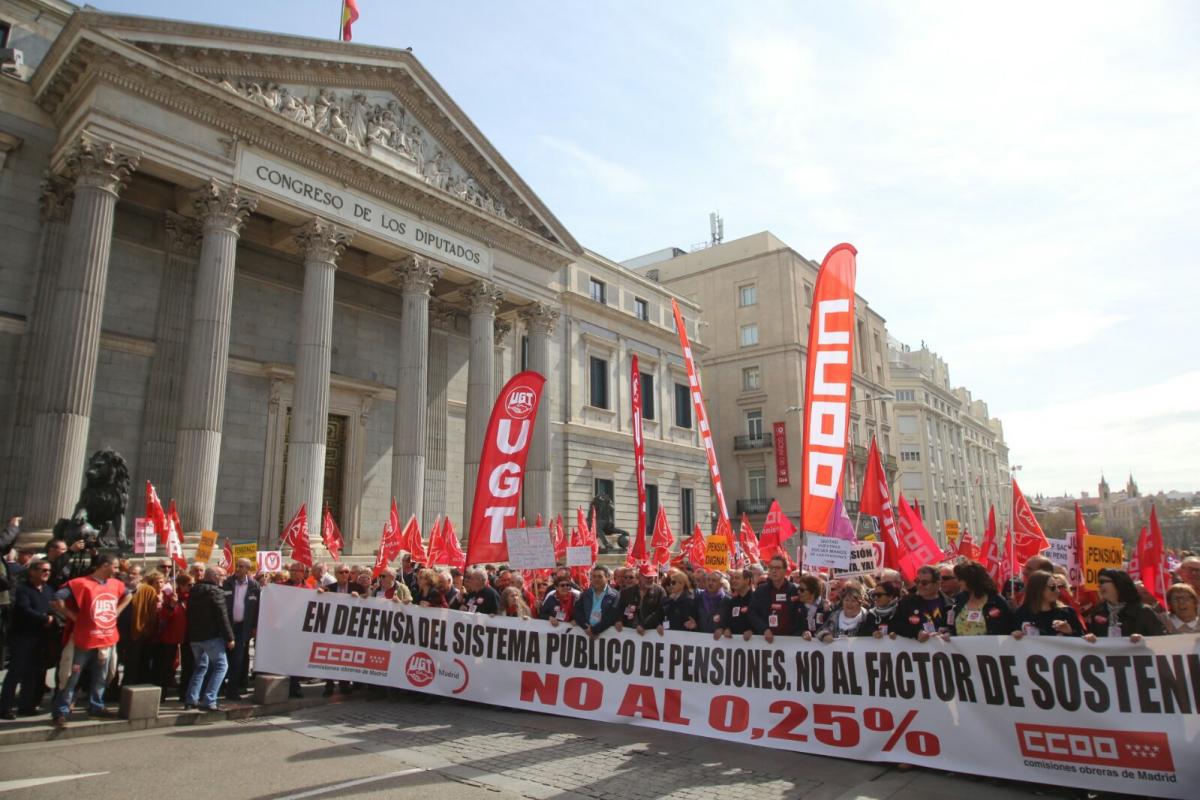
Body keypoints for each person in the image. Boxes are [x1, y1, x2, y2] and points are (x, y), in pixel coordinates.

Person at [50, 553, 132, 726]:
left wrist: (117, 611)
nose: (117, 570)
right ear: (104, 566)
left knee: (102, 677)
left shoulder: (116, 584)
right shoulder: (81, 583)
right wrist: (71, 615)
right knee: (71, 676)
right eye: (115, 566)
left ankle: (96, 706)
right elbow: (57, 598)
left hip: (106, 639)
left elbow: (128, 595)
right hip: (84, 640)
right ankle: (61, 711)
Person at [0, 559, 55, 719]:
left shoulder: (48, 590)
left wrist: (52, 617)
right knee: (16, 672)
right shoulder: (22, 589)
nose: (46, 573)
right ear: (32, 571)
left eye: (49, 570)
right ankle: (5, 707)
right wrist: (44, 619)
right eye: (43, 570)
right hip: (23, 636)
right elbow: (24, 609)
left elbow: (51, 606)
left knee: (33, 673)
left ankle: (26, 705)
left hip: (40, 637)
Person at [184, 566, 235, 712]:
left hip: (195, 637)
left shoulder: (194, 590)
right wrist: (230, 637)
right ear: (214, 576)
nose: (225, 578)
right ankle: (209, 700)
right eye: (222, 575)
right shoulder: (216, 592)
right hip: (211, 637)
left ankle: (191, 699)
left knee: (201, 667)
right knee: (221, 666)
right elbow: (222, 616)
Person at [1085, 568, 1166, 641]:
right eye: (1099, 582)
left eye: (1102, 582)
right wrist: (1090, 638)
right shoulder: (1097, 612)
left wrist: (1143, 641)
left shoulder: (1144, 612)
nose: (1099, 586)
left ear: (1118, 583)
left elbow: (1162, 640)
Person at [221, 559, 260, 700]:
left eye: (241, 566)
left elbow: (257, 609)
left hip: (242, 628)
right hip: (227, 626)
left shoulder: (254, 586)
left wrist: (254, 626)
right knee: (223, 658)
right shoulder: (227, 583)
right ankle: (220, 687)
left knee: (237, 659)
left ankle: (232, 689)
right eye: (237, 566)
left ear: (248, 569)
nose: (238, 568)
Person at [948, 561, 1014, 636]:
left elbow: (1011, 626)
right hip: (960, 647)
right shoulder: (960, 598)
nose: (957, 582)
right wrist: (949, 634)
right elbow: (951, 625)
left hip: (990, 647)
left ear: (971, 579)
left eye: (960, 579)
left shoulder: (996, 600)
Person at [1012, 571, 1084, 638]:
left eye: (1058, 586)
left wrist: (1070, 631)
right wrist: (1015, 636)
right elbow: (1009, 643)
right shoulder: (1022, 613)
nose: (1057, 591)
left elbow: (1083, 640)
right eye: (1052, 587)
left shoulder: (1067, 613)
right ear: (1038, 589)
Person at [750, 556, 804, 642]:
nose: (774, 571)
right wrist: (764, 629)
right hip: (766, 641)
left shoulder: (794, 590)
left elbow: (801, 615)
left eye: (778, 568)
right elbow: (752, 612)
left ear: (785, 570)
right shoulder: (761, 590)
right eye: (771, 568)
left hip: (790, 641)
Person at [155, 573, 191, 700]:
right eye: (188, 585)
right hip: (170, 636)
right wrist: (171, 605)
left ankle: (184, 693)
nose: (190, 587)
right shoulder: (171, 597)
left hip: (187, 636)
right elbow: (164, 616)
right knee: (166, 666)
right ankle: (161, 694)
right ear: (181, 585)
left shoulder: (191, 597)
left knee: (187, 666)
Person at [124, 570, 164, 685]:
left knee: (142, 661)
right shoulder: (125, 589)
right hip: (129, 631)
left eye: (135, 574)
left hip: (148, 632)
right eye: (129, 573)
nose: (131, 576)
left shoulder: (149, 592)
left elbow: (151, 614)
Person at [893, 566, 951, 641]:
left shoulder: (950, 604)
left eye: (924, 583)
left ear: (937, 584)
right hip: (917, 650)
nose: (919, 585)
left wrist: (950, 633)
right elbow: (897, 625)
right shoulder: (907, 602)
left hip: (944, 650)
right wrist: (916, 633)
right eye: (917, 581)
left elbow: (956, 627)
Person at [615, 564, 666, 635]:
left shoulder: (660, 591)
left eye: (652, 577)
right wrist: (619, 620)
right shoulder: (627, 592)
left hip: (650, 632)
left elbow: (660, 611)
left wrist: (644, 625)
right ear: (639, 577)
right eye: (647, 577)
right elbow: (621, 608)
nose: (650, 579)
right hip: (630, 632)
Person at [573, 565, 619, 637]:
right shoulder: (585, 593)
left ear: (607, 577)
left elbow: (611, 617)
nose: (596, 579)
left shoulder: (615, 595)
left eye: (600, 576)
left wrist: (594, 630)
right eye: (594, 576)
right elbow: (578, 612)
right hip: (586, 633)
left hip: (605, 635)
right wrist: (586, 627)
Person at [715, 568, 756, 640]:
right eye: (732, 578)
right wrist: (726, 628)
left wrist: (753, 631)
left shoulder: (757, 599)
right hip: (734, 646)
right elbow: (726, 620)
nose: (733, 581)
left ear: (747, 580)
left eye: (737, 578)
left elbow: (763, 620)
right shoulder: (732, 602)